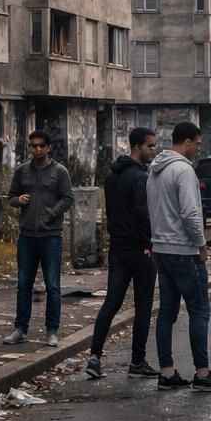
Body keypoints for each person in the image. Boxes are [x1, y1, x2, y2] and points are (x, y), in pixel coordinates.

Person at [147, 121, 211, 392]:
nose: (198, 148)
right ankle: (203, 373)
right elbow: (190, 213)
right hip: (184, 250)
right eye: (197, 143)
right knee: (199, 311)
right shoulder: (183, 170)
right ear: (186, 142)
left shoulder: (154, 169)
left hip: (161, 248)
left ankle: (167, 372)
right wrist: (201, 244)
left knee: (167, 314)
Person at [86, 127, 160, 380]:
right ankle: (137, 362)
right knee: (143, 306)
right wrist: (152, 241)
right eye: (150, 146)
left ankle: (94, 355)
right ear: (137, 147)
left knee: (111, 302)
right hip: (140, 250)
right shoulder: (140, 177)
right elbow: (143, 213)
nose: (154, 150)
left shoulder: (112, 176)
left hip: (117, 247)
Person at [2, 130, 74, 347]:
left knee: (52, 286)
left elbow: (68, 198)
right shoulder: (22, 171)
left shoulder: (59, 172)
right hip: (27, 237)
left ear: (48, 147)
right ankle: (20, 329)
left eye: (41, 146)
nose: (36, 150)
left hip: (51, 237)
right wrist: (18, 200)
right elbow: (11, 198)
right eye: (33, 146)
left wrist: (51, 214)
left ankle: (52, 330)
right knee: (24, 285)